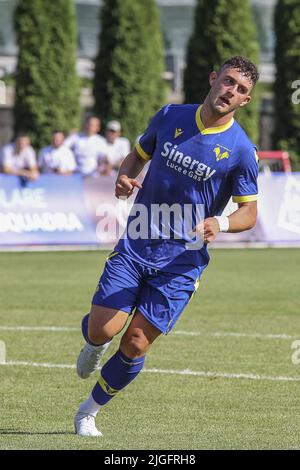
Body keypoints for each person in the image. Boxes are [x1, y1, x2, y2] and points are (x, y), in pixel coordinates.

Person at [74, 56, 259, 437]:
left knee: (137, 341)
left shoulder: (242, 150)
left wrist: (220, 222)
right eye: (228, 81)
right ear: (213, 79)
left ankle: (88, 412)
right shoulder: (170, 115)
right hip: (138, 241)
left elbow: (249, 214)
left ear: (246, 101)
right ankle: (95, 342)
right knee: (101, 330)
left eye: (241, 90)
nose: (231, 91)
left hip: (183, 261)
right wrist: (125, 178)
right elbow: (136, 157)